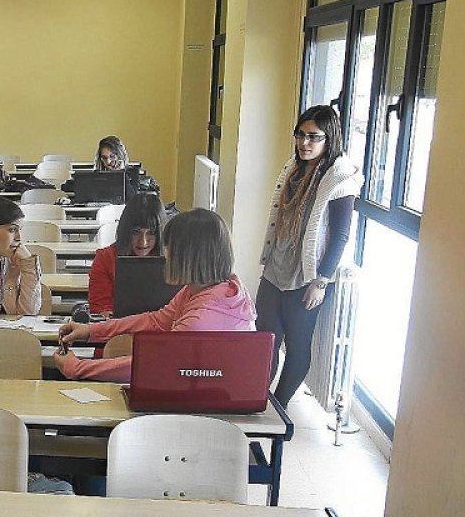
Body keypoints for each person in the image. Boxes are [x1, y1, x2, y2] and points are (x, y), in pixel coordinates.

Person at [55, 208, 255, 382]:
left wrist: (78, 368)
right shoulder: (213, 289)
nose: (165, 254)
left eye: (169, 247)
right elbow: (156, 321)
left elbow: (152, 365)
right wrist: (91, 331)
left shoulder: (200, 320)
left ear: (187, 255)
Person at [257, 105, 362, 406]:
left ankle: (279, 407)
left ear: (330, 138)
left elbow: (340, 236)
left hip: (306, 277)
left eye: (314, 137)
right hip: (275, 269)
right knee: (265, 341)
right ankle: (258, 400)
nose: (305, 143)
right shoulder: (293, 168)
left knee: (297, 346)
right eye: (300, 135)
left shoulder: (340, 178)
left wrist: (321, 281)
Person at [87, 193, 166, 316]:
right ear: (126, 231)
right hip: (118, 326)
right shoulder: (105, 259)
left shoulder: (172, 260)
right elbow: (100, 309)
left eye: (151, 233)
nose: (143, 242)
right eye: (136, 232)